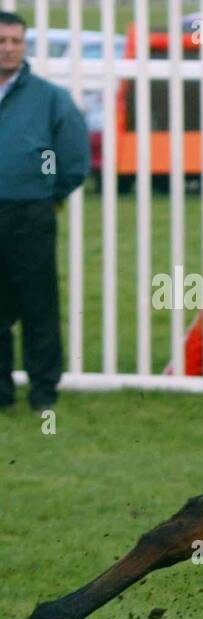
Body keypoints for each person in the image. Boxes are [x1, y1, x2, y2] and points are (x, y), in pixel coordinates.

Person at [0, 11, 89, 413]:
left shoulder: (48, 98)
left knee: (38, 304)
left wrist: (45, 187)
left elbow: (68, 155)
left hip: (30, 214)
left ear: (25, 45)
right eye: (2, 41)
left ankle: (43, 392)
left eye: (16, 41)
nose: (9, 48)